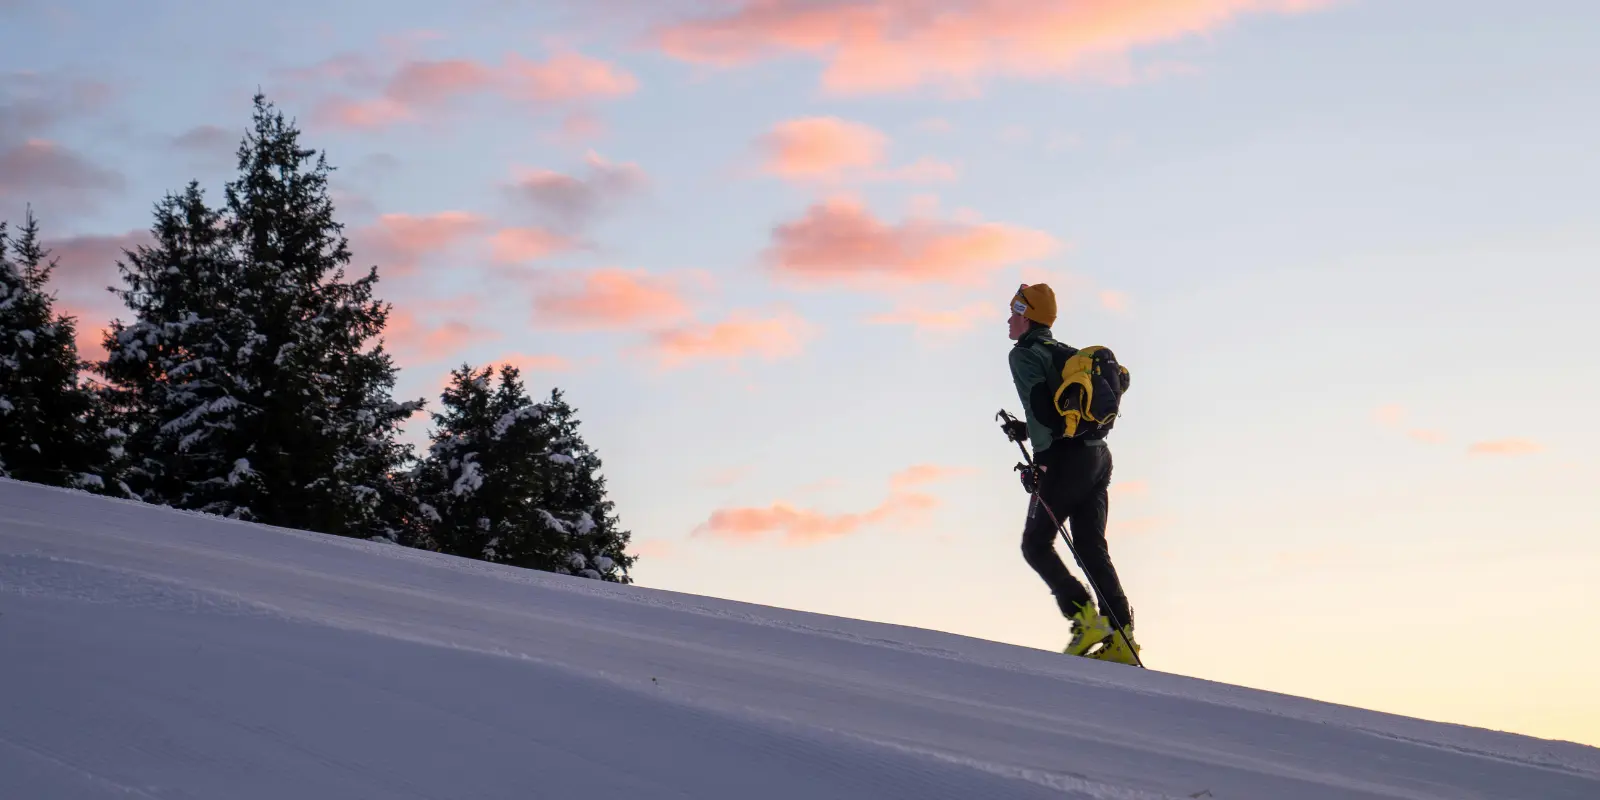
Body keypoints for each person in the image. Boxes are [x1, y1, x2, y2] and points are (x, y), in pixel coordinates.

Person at [1003, 283, 1140, 665]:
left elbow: (1041, 409)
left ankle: (1085, 620)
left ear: (1028, 316)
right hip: (1097, 457)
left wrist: (1042, 460)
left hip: (1063, 460)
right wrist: (1026, 431)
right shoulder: (1066, 352)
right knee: (1091, 547)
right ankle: (1122, 636)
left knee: (1036, 544)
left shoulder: (1024, 354)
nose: (1009, 319)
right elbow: (1063, 413)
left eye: (1014, 311)